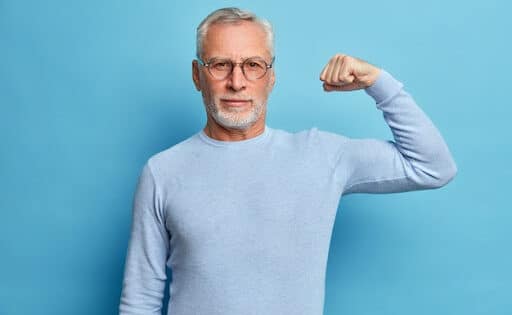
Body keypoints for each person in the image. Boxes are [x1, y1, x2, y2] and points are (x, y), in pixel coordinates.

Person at [119, 7, 457, 315]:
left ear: (271, 77)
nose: (237, 82)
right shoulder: (162, 171)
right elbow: (140, 301)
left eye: (253, 66)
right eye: (220, 65)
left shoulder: (320, 156)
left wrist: (378, 83)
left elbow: (433, 167)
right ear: (197, 75)